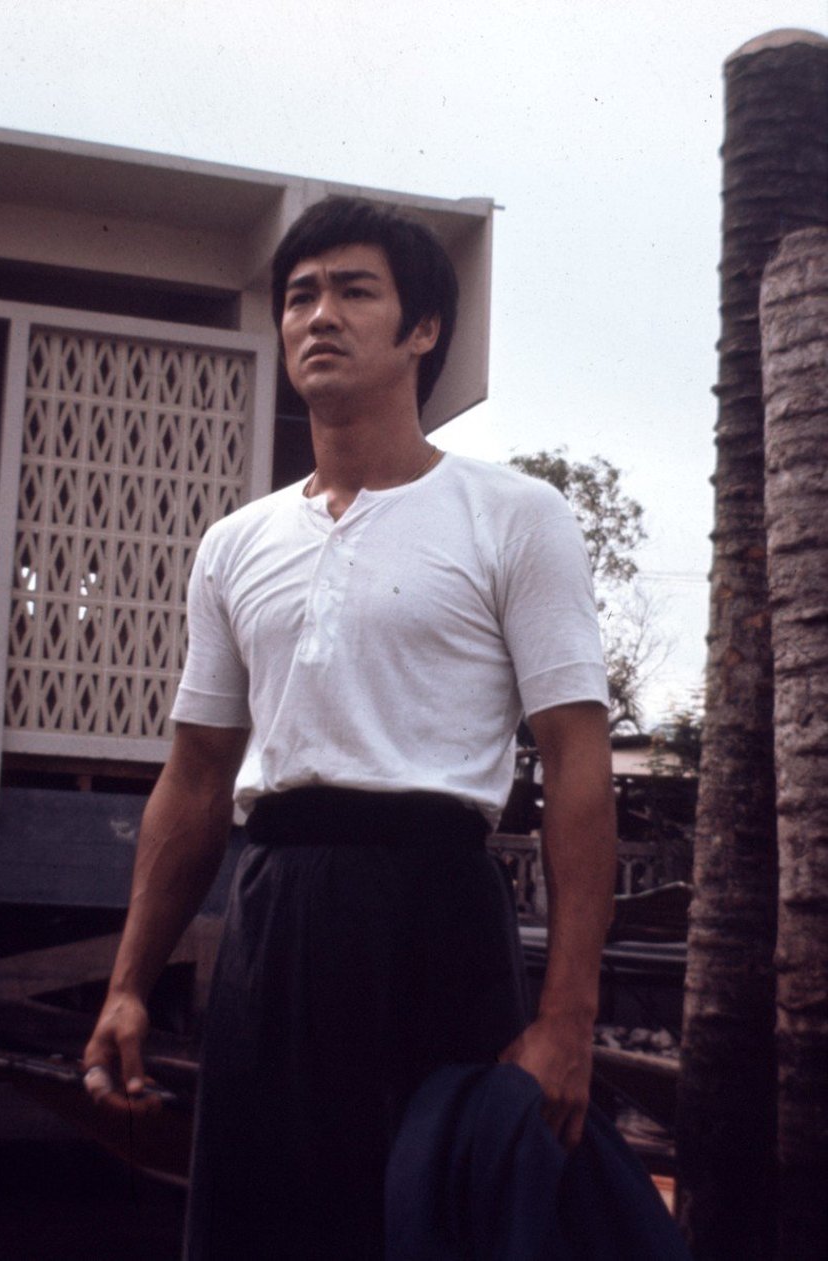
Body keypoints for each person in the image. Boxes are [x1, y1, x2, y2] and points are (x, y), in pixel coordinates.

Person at [83, 196, 617, 1259]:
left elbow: (576, 762)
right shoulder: (234, 545)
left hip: (438, 913)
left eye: (353, 290)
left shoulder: (512, 516)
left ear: (421, 329)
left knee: (430, 1224)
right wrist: (127, 985)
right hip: (275, 913)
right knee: (258, 1228)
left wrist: (566, 1020)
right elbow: (193, 778)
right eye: (299, 295)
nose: (318, 315)